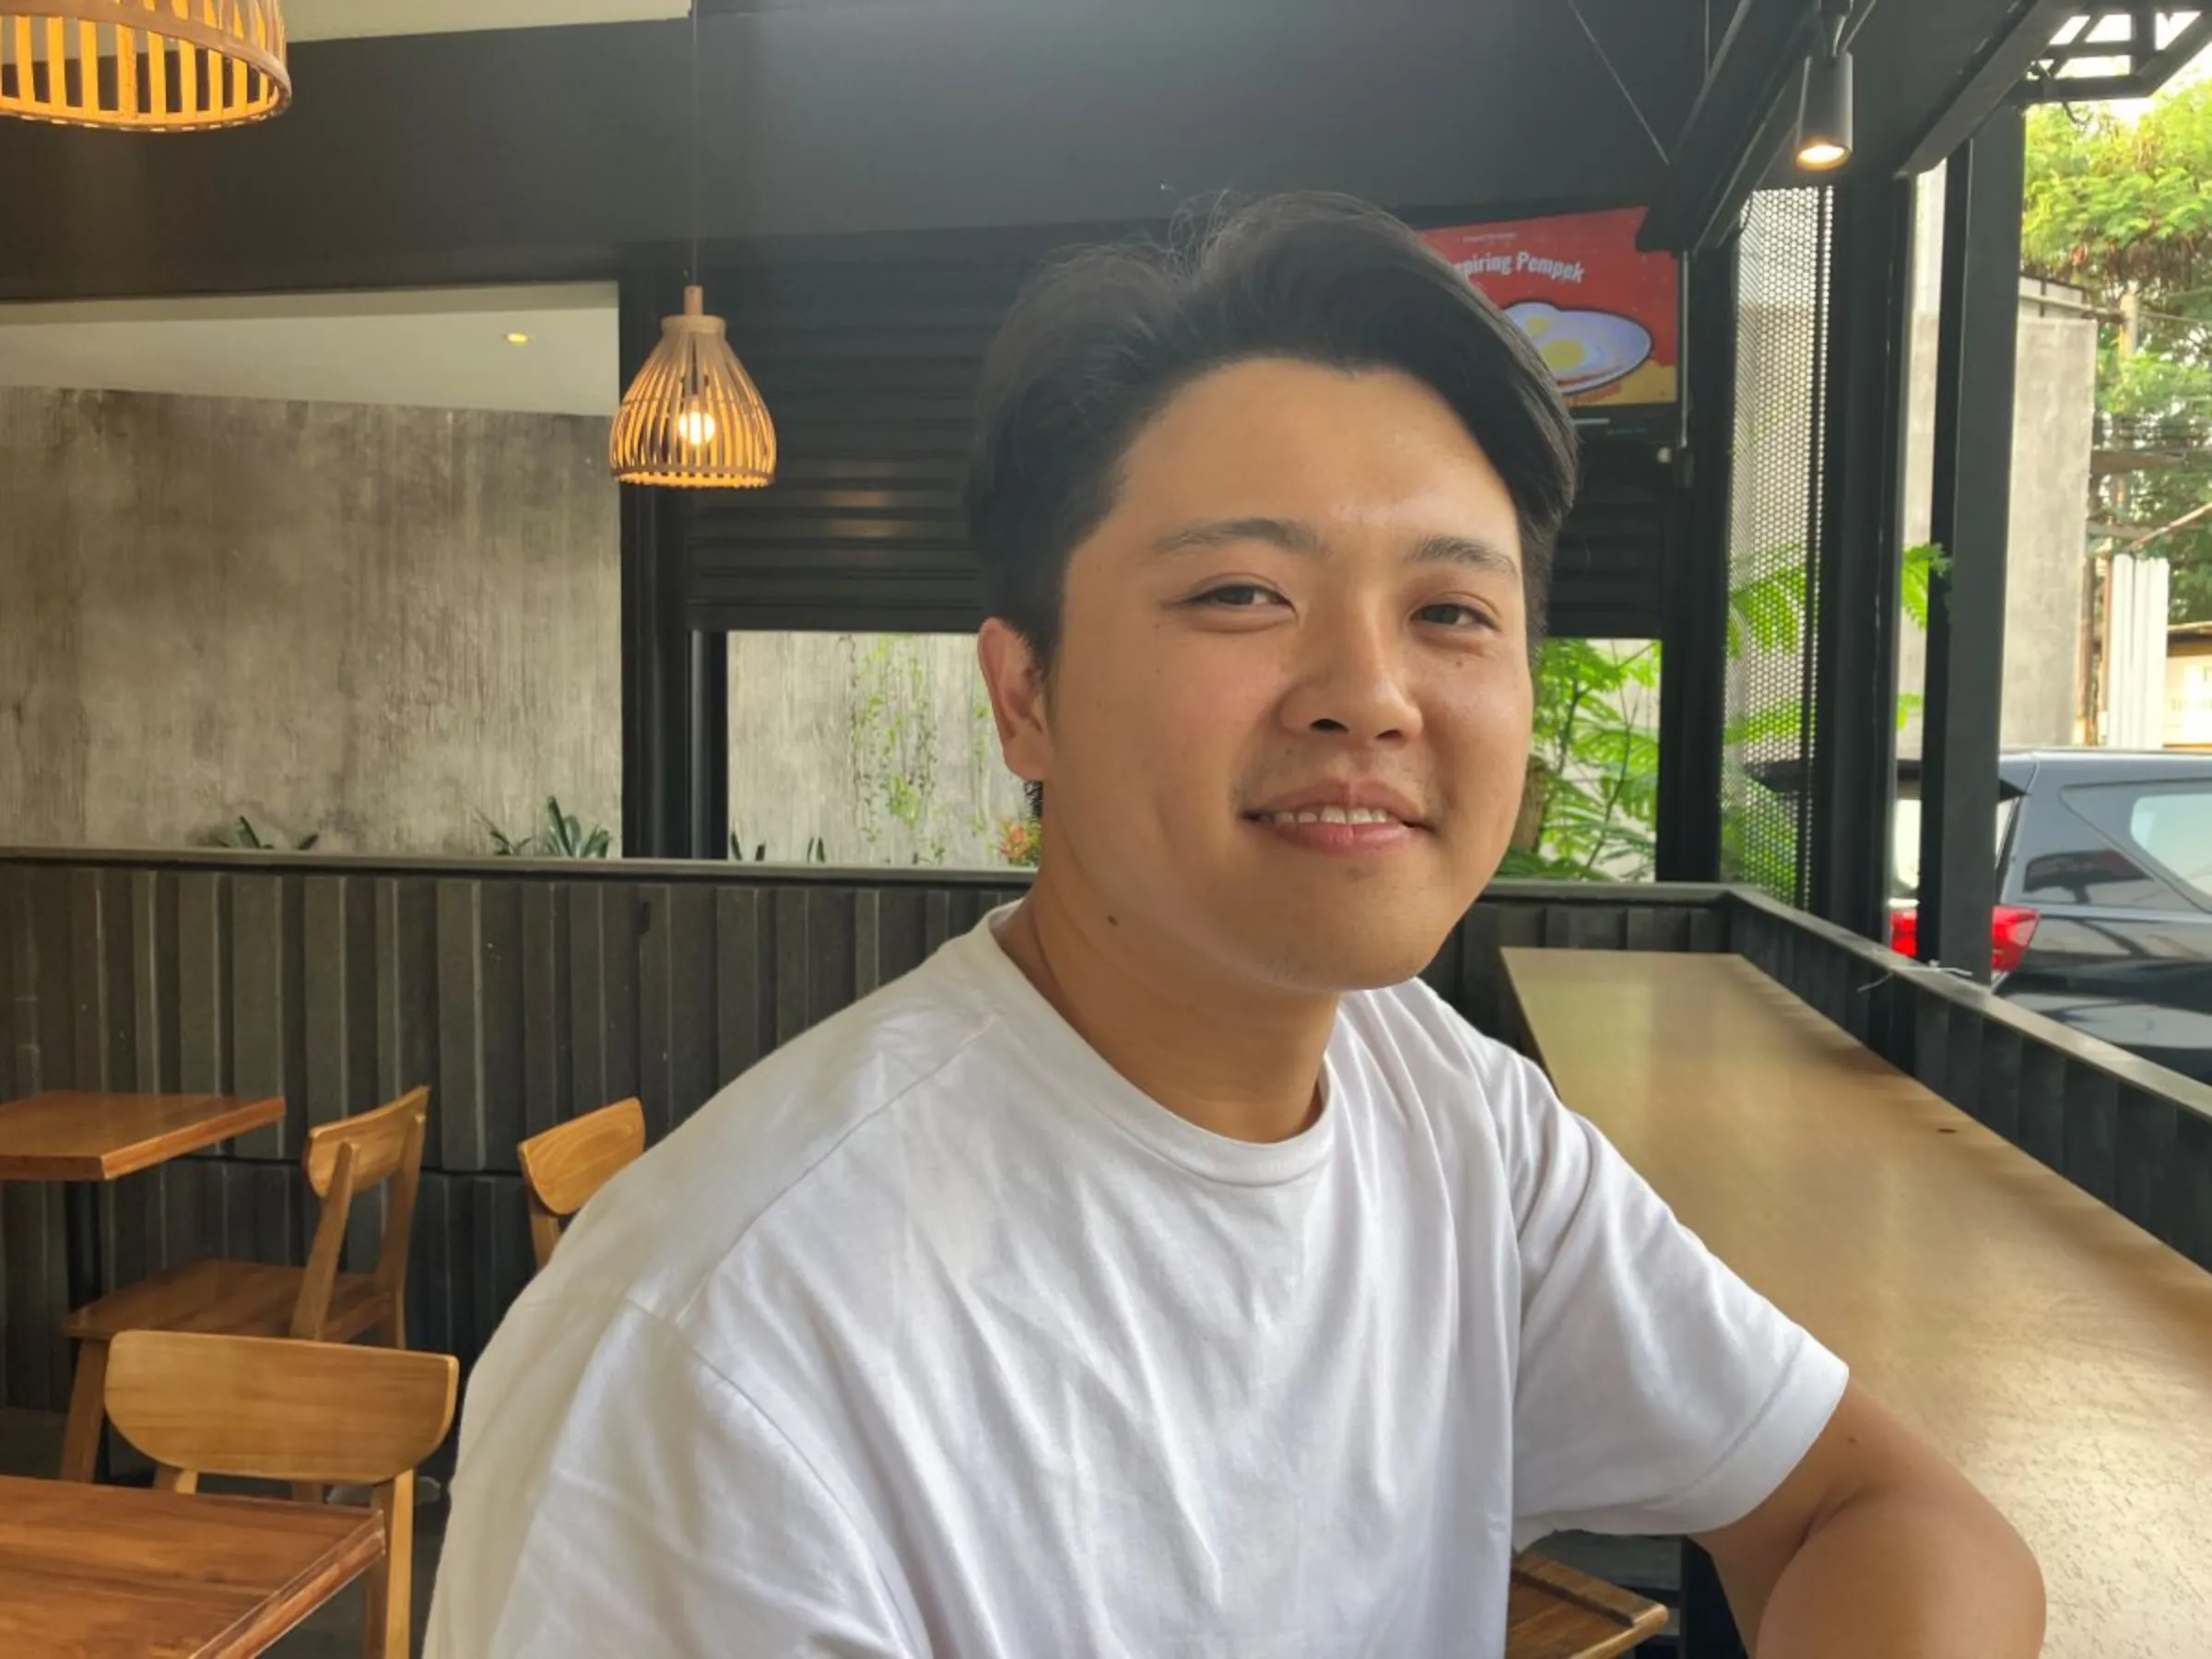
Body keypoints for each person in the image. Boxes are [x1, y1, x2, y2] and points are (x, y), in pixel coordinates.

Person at [427, 194, 2043, 1657]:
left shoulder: (1450, 1115)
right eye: (1242, 596)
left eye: (1452, 613)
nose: (1369, 695)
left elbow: (1889, 1519)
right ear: (1025, 694)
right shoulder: (721, 1358)